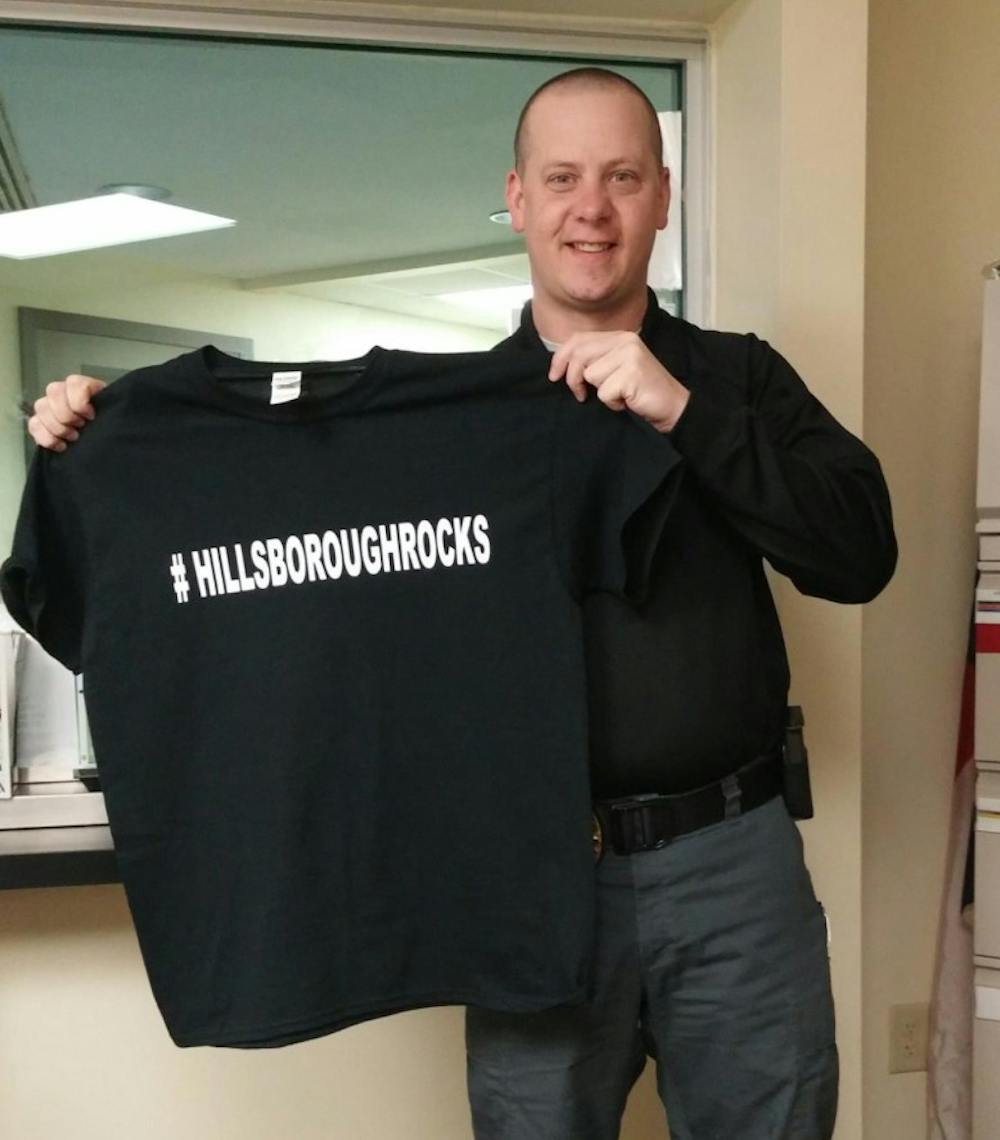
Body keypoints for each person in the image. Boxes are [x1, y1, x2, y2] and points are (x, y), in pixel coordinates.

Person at [25, 67, 895, 1140]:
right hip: (529, 873)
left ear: (662, 197)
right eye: (563, 178)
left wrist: (685, 413)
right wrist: (97, 446)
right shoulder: (450, 431)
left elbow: (858, 557)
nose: (593, 208)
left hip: (731, 863)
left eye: (623, 177)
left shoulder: (738, 380)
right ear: (518, 198)